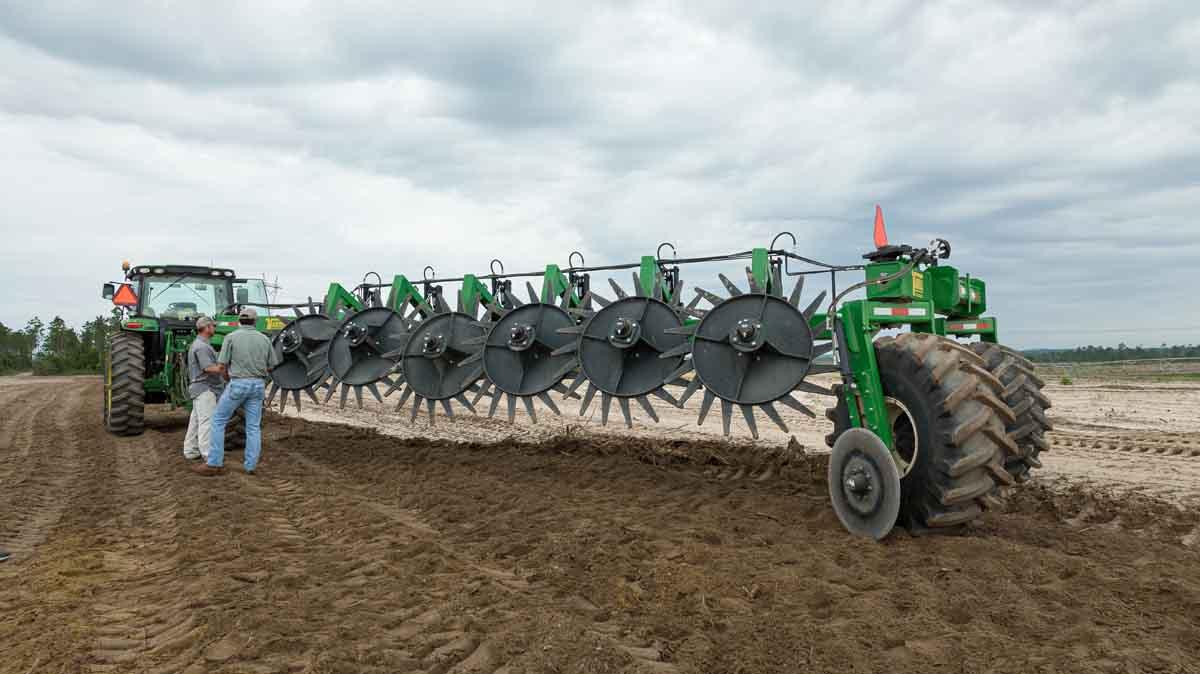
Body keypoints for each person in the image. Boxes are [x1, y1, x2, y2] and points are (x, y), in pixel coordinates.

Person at [193, 307, 278, 476]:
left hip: (238, 383)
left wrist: (226, 378)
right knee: (253, 427)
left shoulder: (231, 337)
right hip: (258, 385)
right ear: (255, 321)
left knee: (218, 420)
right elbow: (271, 365)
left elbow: (222, 365)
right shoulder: (264, 339)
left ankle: (214, 463)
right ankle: (250, 466)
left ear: (239, 320)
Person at [182, 316, 224, 461]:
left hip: (199, 388)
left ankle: (190, 450)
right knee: (207, 422)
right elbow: (208, 368)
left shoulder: (199, 344)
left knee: (196, 421)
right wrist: (223, 367)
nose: (215, 328)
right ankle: (208, 455)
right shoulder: (202, 347)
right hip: (206, 389)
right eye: (213, 326)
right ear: (207, 328)